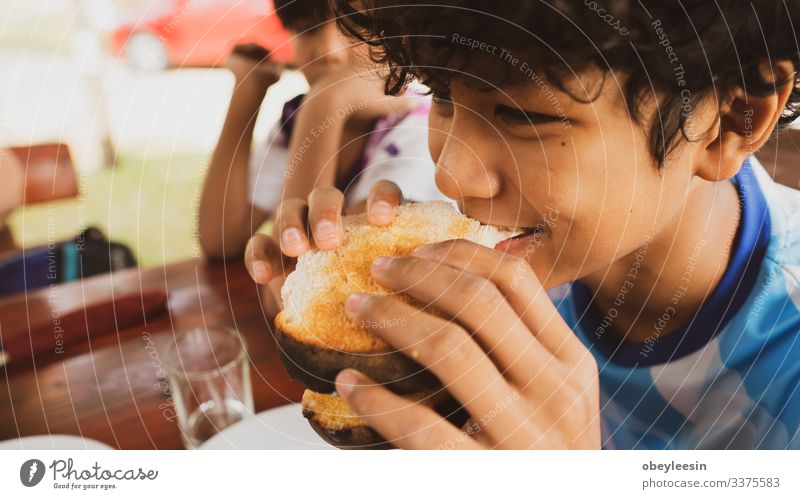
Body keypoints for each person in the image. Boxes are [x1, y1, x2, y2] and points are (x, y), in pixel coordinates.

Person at [245, 0, 800, 449]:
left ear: (732, 120)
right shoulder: (498, 275)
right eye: (440, 94)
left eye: (521, 114)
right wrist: (364, 355)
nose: (451, 176)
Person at [198, 0, 445, 262]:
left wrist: (325, 103)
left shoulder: (419, 124)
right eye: (307, 29)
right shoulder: (295, 122)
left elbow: (310, 269)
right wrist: (246, 94)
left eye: (358, 27)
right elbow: (221, 240)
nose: (331, 51)